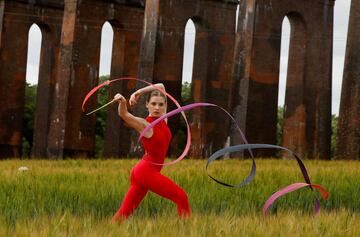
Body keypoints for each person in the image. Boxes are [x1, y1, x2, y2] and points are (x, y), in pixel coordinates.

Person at [111, 83, 191, 221]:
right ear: (147, 105)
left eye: (161, 104)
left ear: (165, 106)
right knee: (181, 197)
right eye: (153, 104)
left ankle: (106, 231)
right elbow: (123, 114)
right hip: (146, 172)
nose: (157, 108)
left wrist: (139, 92)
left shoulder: (163, 118)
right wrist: (123, 102)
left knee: (124, 214)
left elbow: (161, 86)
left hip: (143, 172)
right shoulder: (145, 125)